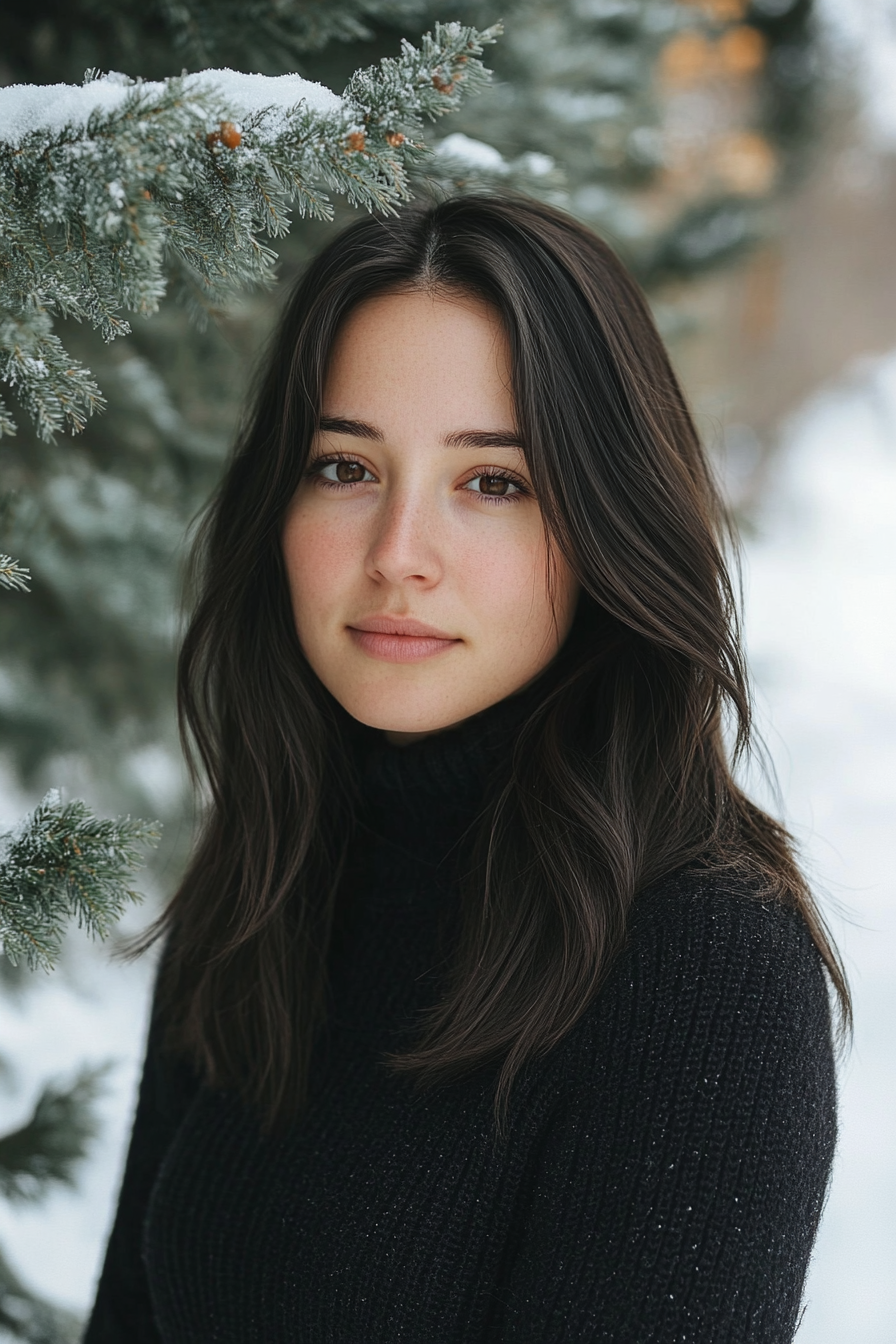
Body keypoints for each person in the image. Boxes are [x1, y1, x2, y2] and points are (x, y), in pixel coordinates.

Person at [85, 195, 848, 1343]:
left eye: (492, 482)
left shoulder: (705, 970)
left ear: (604, 522)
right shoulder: (269, 875)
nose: (397, 556)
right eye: (344, 467)